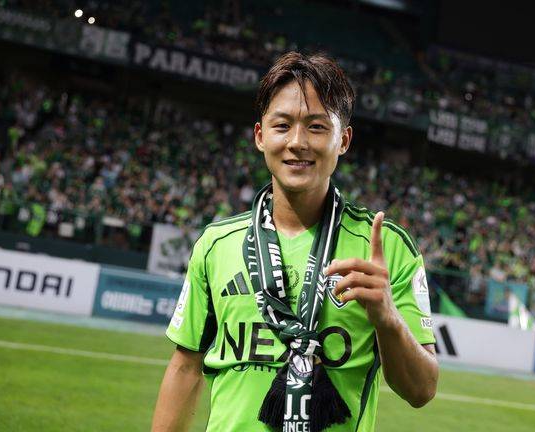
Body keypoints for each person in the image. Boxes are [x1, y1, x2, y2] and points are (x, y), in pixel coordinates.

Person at [151, 51, 438, 432]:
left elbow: (422, 389)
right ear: (260, 136)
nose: (297, 142)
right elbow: (185, 368)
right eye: (282, 125)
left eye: (317, 127)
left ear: (343, 140)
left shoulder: (388, 249)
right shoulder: (216, 244)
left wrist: (388, 318)